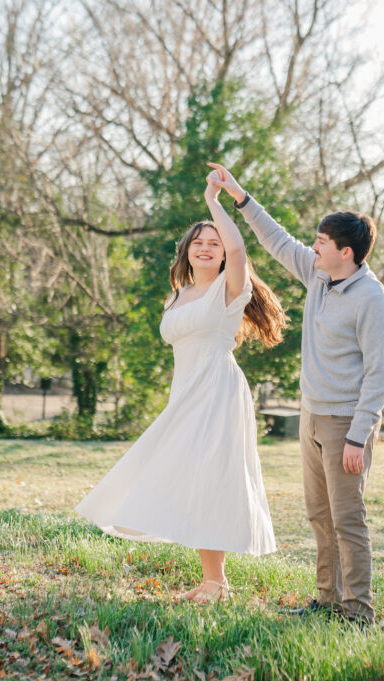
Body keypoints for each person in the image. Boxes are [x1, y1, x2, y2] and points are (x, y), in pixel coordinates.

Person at [75, 169, 287, 603]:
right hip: (185, 391)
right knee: (187, 476)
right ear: (187, 252)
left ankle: (216, 583)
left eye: (213, 243)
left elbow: (239, 245)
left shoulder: (232, 289)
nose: (207, 247)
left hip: (218, 390)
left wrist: (215, 201)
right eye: (198, 242)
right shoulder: (177, 295)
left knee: (212, 478)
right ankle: (212, 580)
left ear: (223, 255)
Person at [205, 163, 384, 626]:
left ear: (344, 252)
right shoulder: (318, 275)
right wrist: (239, 195)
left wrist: (358, 434)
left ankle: (359, 612)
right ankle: (328, 600)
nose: (313, 247)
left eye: (322, 243)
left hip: (346, 424)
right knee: (318, 515)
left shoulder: (371, 298)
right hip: (311, 416)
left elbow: (380, 372)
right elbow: (276, 239)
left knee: (348, 520)